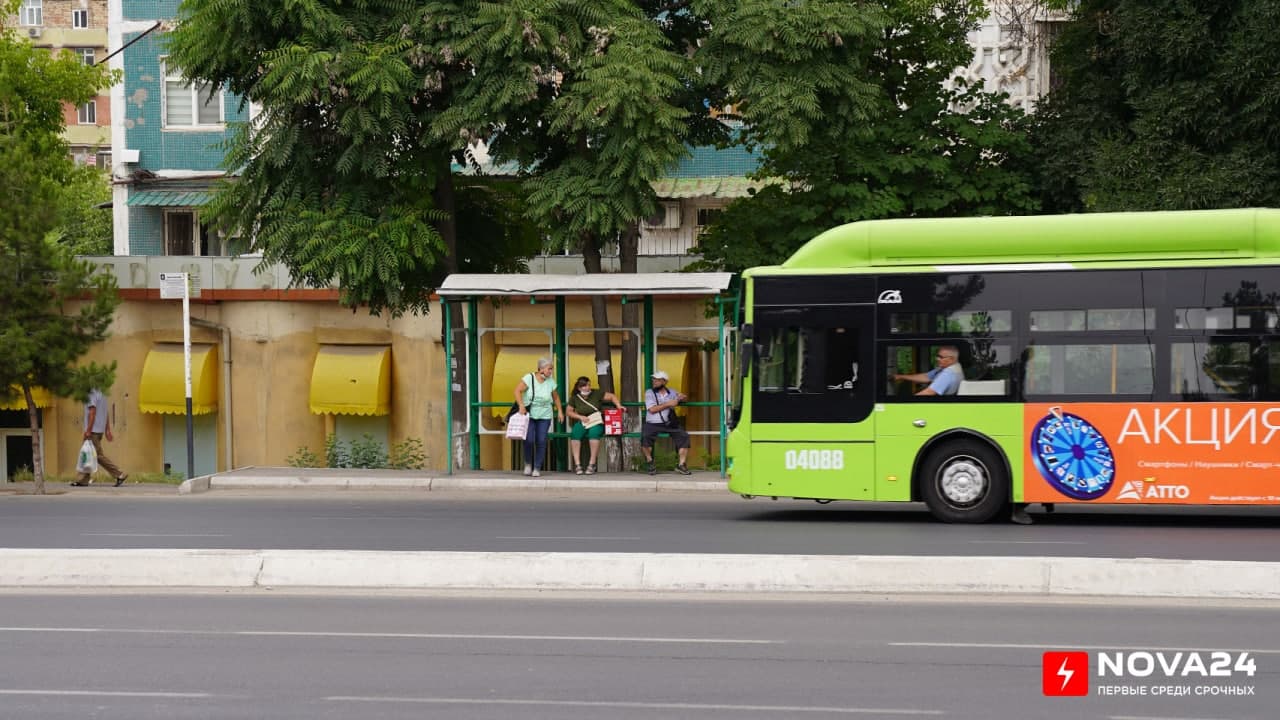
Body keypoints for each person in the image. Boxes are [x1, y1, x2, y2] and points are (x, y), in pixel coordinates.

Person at [514, 358, 562, 477]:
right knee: (529, 439)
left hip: (545, 415)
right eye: (549, 369)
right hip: (529, 414)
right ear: (540, 369)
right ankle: (528, 464)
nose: (551, 371)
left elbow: (555, 397)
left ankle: (537, 467)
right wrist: (521, 405)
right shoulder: (529, 378)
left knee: (541, 440)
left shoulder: (551, 381)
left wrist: (560, 411)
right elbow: (517, 391)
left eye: (552, 369)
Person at [566, 376, 623, 475]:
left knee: (594, 434)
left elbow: (612, 396)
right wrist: (580, 417)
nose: (587, 387)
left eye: (588, 385)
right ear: (579, 388)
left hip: (596, 420)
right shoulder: (575, 398)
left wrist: (618, 405)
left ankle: (591, 464)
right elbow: (569, 412)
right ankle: (577, 464)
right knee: (575, 433)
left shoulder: (596, 393)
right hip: (583, 420)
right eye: (584, 386)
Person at [71, 387, 128, 487]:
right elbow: (106, 413)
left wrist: (88, 430)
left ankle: (119, 474)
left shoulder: (91, 394)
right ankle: (83, 480)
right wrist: (107, 430)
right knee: (87, 454)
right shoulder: (102, 393)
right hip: (99, 430)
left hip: (92, 431)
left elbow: (92, 413)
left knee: (96, 456)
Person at [641, 370, 691, 476]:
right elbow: (652, 410)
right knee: (645, 437)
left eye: (657, 380)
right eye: (653, 379)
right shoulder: (649, 392)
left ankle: (681, 464)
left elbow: (682, 396)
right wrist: (668, 404)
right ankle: (650, 461)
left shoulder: (671, 391)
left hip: (669, 422)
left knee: (684, 436)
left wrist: (680, 397)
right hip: (652, 423)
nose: (654, 382)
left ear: (664, 382)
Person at [892, 345, 963, 396]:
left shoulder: (948, 374)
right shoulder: (951, 366)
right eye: (937, 356)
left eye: (941, 357)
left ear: (951, 359)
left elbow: (929, 392)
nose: (937, 359)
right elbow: (926, 377)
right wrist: (901, 376)